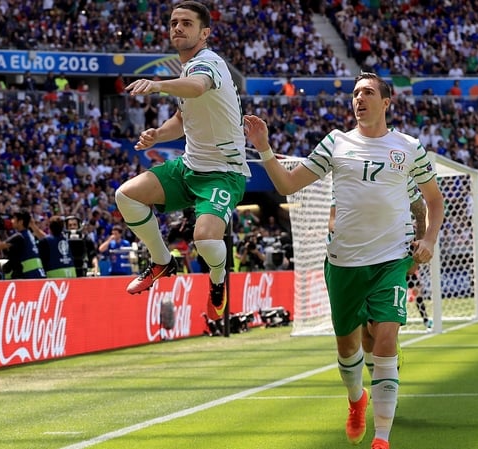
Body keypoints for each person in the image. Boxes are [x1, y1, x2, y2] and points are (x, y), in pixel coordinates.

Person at [244, 72, 445, 449]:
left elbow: (434, 200)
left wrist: (429, 238)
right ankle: (356, 400)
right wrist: (264, 148)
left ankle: (382, 438)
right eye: (355, 93)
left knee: (386, 341)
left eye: (367, 92)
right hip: (343, 261)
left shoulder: (409, 147)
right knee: (348, 347)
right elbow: (287, 186)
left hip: (391, 260)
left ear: (386, 102)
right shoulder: (336, 143)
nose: (359, 98)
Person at [117, 1, 249, 321]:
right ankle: (162, 261)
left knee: (204, 239)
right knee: (127, 195)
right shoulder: (187, 68)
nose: (177, 27)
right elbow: (182, 115)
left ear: (204, 33)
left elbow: (197, 87)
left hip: (223, 173)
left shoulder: (208, 63)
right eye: (174, 22)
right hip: (190, 165)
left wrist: (158, 85)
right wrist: (159, 135)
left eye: (186, 23)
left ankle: (217, 282)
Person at [0, 210, 47, 279]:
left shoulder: (19, 236)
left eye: (14, 219)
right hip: (38, 273)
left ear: (20, 222)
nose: (12, 221)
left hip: (29, 275)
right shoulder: (30, 234)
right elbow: (45, 238)